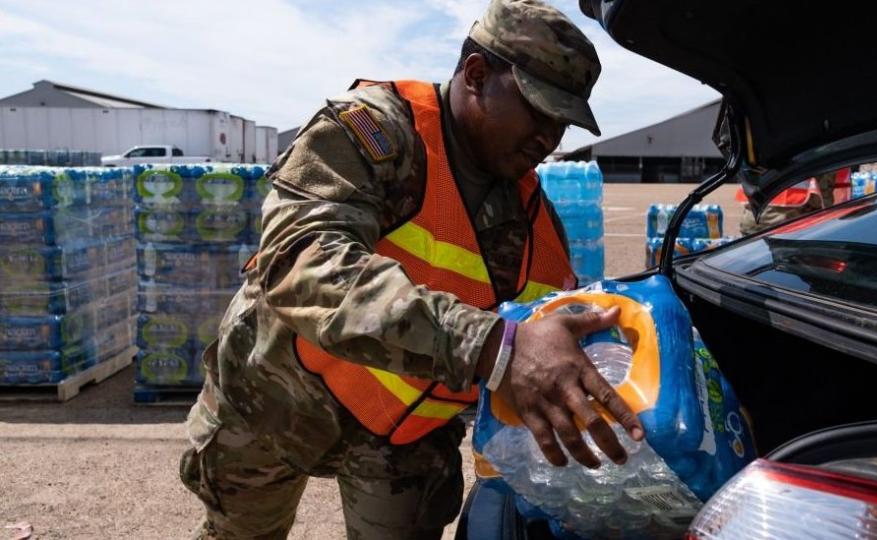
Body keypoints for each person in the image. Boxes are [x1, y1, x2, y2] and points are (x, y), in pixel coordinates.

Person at [179, 1, 644, 538]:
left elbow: (552, 330)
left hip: (399, 440)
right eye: (539, 110)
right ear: (475, 74)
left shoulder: (535, 221)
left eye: (562, 122)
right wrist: (495, 346)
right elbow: (302, 261)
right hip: (275, 395)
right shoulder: (375, 132)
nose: (550, 138)